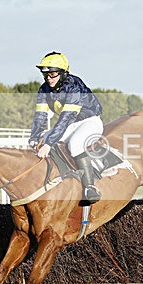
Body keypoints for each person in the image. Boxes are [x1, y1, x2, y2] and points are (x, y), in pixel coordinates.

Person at [28, 51, 104, 202]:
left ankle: (90, 187)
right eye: (46, 75)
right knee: (42, 140)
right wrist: (34, 138)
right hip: (70, 124)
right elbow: (41, 116)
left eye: (53, 74)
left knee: (75, 144)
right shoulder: (44, 90)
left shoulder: (74, 86)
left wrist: (49, 144)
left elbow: (66, 117)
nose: (48, 78)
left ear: (63, 73)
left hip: (90, 121)